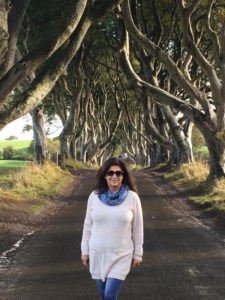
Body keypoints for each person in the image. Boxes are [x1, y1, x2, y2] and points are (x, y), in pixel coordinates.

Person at [81, 157, 144, 300]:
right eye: (110, 173)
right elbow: (87, 227)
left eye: (118, 173)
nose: (114, 176)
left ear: (123, 176)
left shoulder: (132, 198)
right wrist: (85, 251)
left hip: (121, 254)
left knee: (110, 295)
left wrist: (138, 253)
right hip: (98, 253)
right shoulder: (94, 196)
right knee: (103, 296)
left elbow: (138, 228)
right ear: (104, 176)